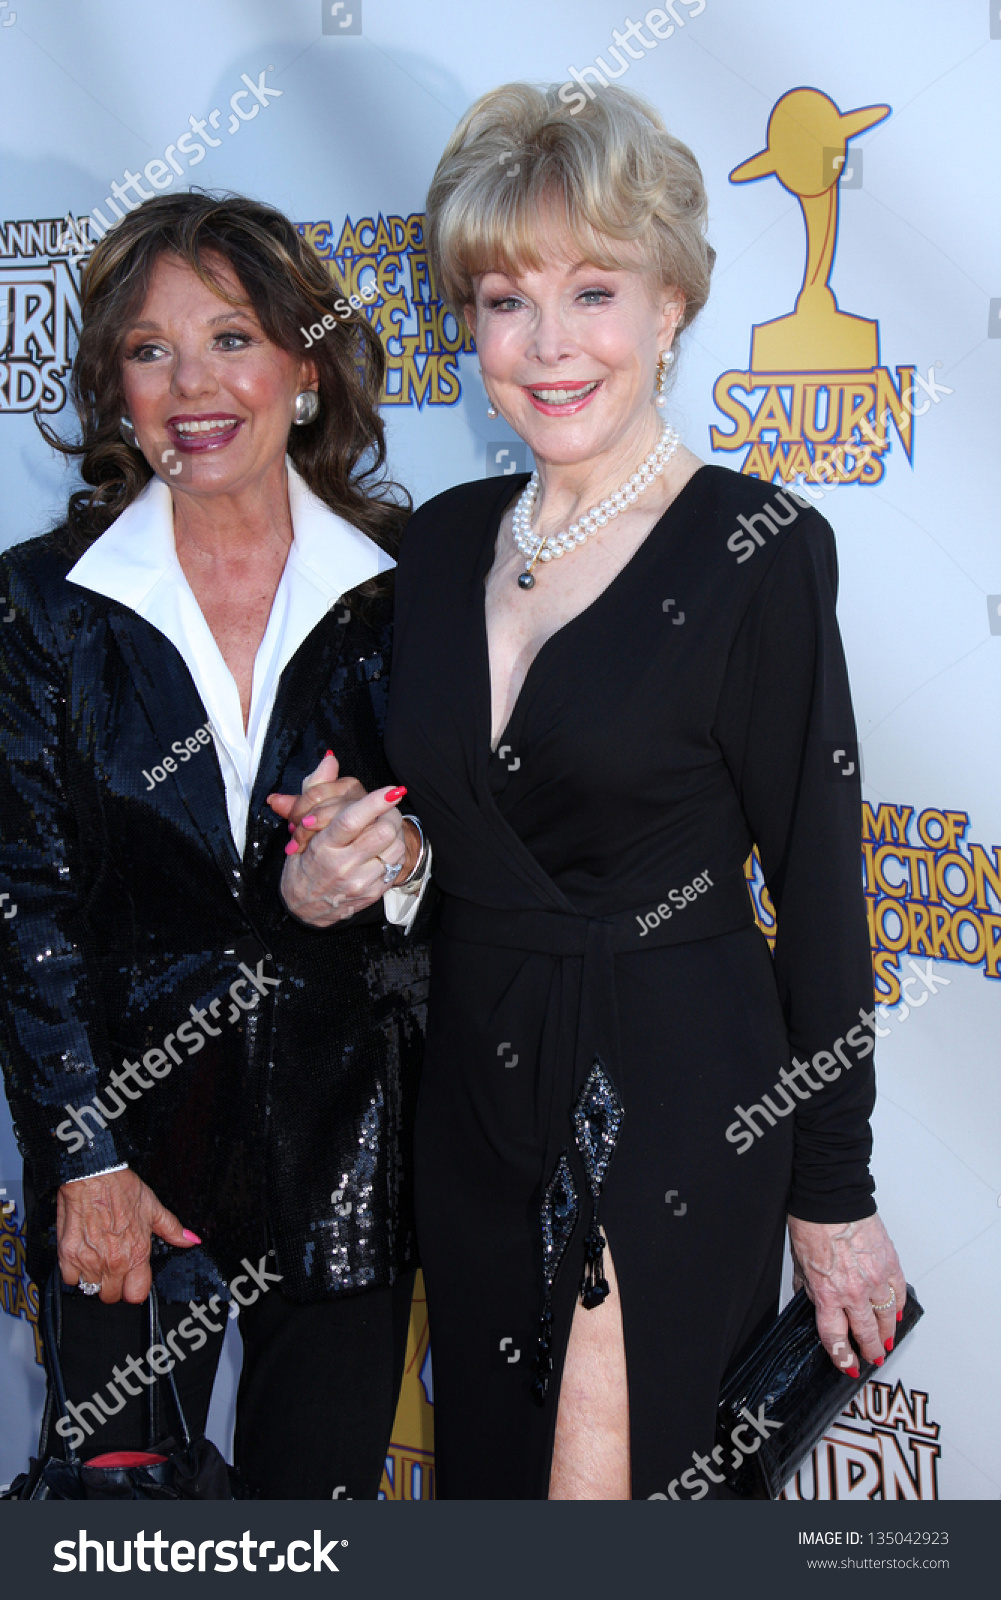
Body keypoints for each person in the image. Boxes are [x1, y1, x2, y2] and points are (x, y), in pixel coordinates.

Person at [276, 83, 907, 1501]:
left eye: (593, 289)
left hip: (676, 1094)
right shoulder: (434, 552)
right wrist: (353, 869)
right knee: (501, 1485)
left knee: (607, 1490)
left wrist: (834, 1190)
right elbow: (447, 837)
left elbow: (817, 891)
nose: (548, 343)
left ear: (673, 302)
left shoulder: (754, 544)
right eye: (505, 299)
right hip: (473, 1099)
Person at [0, 192, 432, 1499]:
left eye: (231, 337)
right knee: (120, 1540)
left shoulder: (403, 593)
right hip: (130, 1169)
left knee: (315, 1532)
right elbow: (28, 907)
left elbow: (491, 861)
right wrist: (85, 1159)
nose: (192, 384)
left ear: (305, 366)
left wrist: (398, 871)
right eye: (148, 349)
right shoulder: (45, 606)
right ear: (112, 388)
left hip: (349, 1154)